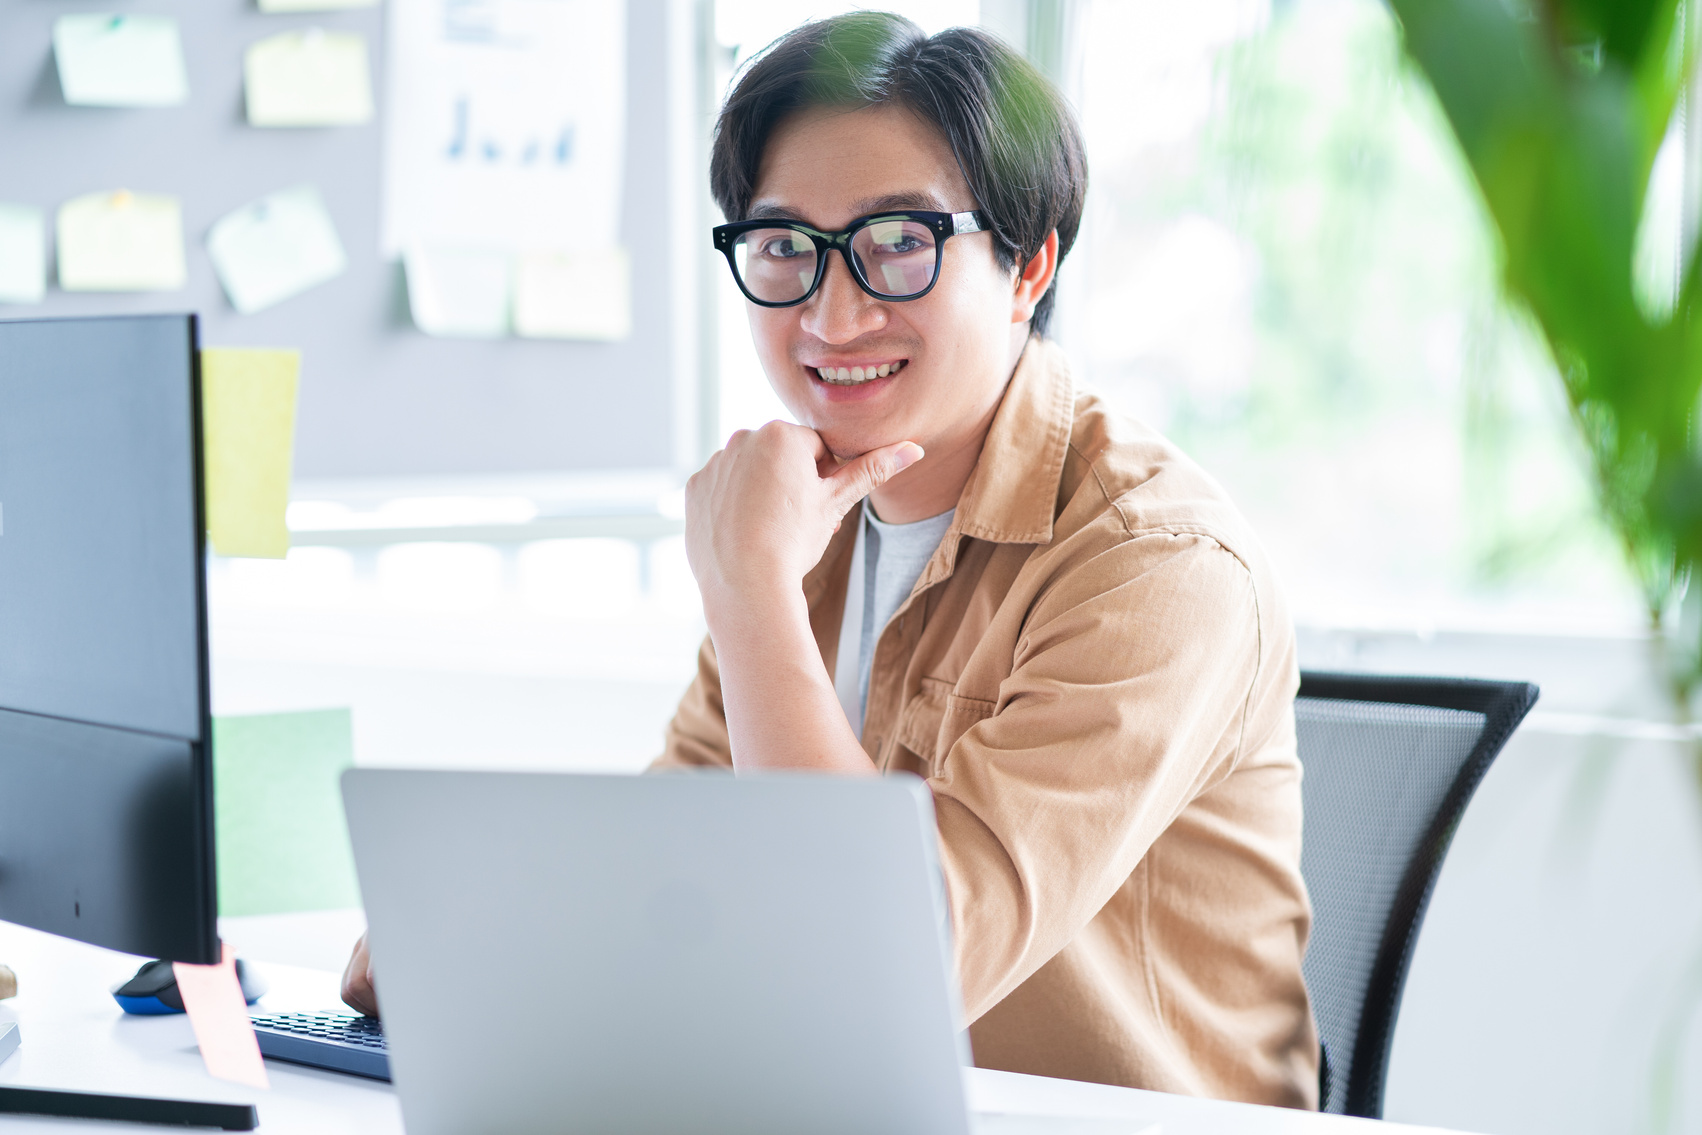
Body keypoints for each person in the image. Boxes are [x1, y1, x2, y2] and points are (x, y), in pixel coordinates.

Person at [344, 11, 1319, 1109]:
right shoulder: (804, 527)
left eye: (899, 242)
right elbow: (677, 879)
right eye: (783, 247)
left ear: (1027, 265)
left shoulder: (1156, 568)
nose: (831, 310)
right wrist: (484, 937)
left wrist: (748, 590)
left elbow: (888, 967)